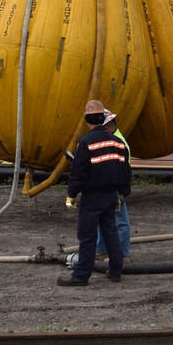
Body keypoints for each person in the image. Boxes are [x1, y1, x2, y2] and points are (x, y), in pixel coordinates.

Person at [57, 100, 130, 286]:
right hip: (111, 196)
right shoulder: (118, 143)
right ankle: (116, 271)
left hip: (92, 197)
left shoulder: (86, 142)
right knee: (110, 232)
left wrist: (71, 195)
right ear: (103, 118)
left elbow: (79, 172)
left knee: (87, 236)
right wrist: (121, 194)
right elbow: (125, 172)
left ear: (87, 119)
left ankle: (81, 275)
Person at [96, 109, 130, 259]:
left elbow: (124, 172)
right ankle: (102, 251)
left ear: (109, 126)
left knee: (120, 222)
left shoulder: (118, 144)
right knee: (102, 220)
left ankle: (122, 254)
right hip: (105, 187)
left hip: (116, 188)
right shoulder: (108, 140)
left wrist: (120, 193)